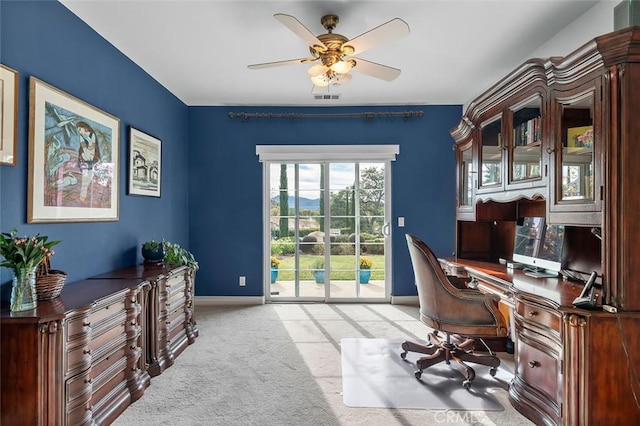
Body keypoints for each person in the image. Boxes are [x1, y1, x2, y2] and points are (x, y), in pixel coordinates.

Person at [76, 121, 101, 202]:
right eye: (78, 130)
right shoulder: (81, 137)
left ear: (84, 128)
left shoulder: (92, 135)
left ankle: (83, 193)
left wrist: (91, 157)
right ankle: (82, 197)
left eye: (80, 129)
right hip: (84, 157)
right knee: (84, 177)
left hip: (92, 157)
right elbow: (84, 148)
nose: (79, 131)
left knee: (90, 177)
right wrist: (87, 159)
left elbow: (92, 148)